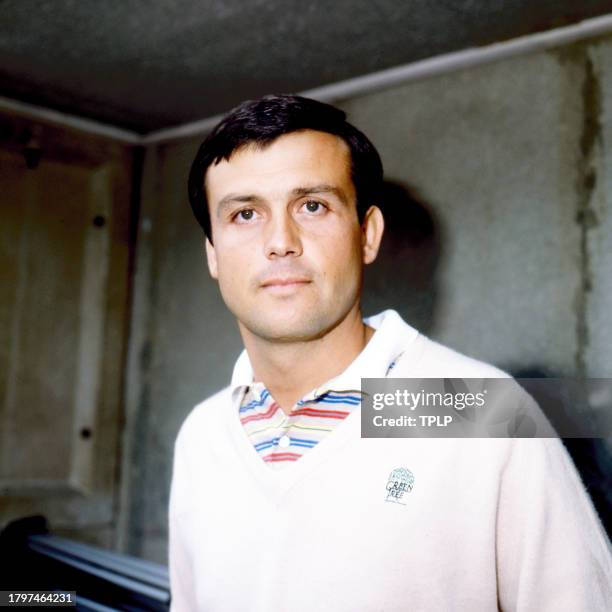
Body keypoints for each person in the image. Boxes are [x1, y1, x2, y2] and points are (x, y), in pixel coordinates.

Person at [168, 94, 612, 611]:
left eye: (312, 206)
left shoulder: (479, 411)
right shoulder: (203, 435)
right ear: (213, 254)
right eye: (245, 214)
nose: (280, 241)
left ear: (367, 236)